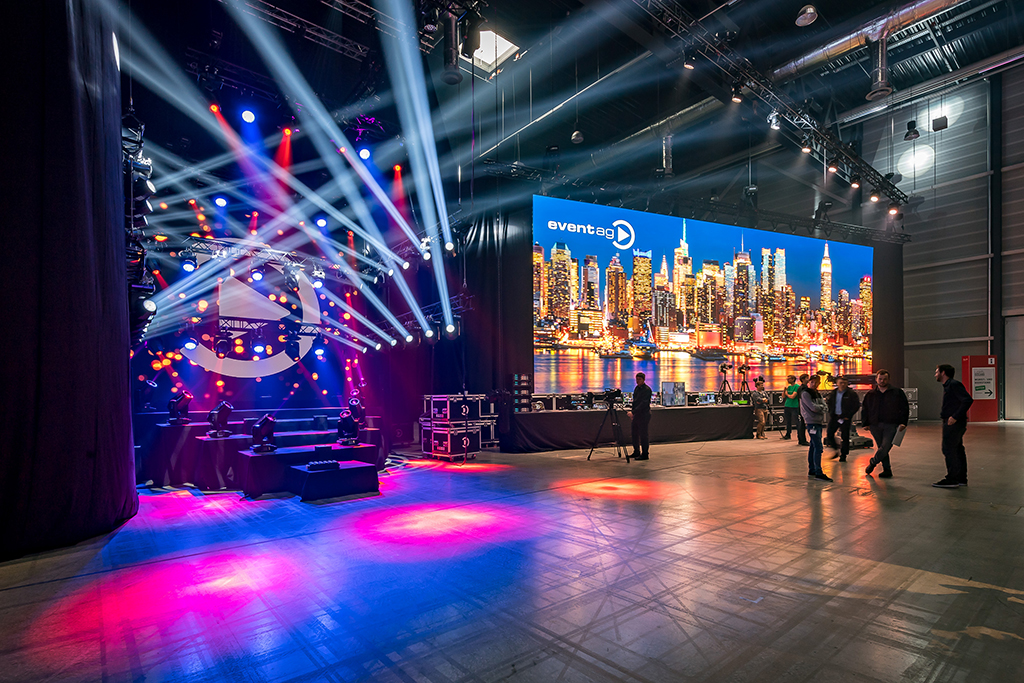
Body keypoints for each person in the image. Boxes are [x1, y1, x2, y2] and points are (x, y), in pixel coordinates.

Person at [860, 369, 909, 479]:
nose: (882, 381)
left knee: (885, 447)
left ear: (888, 379)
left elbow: (904, 408)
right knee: (881, 448)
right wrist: (865, 423)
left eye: (884, 379)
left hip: (891, 424)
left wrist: (903, 422)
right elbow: (865, 409)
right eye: (880, 379)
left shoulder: (897, 392)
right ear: (876, 379)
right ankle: (887, 470)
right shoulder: (870, 394)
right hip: (875, 425)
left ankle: (873, 463)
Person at [933, 364, 974, 488]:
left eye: (937, 372)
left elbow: (967, 400)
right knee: (957, 449)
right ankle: (961, 478)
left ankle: (952, 479)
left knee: (949, 449)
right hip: (953, 422)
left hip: (954, 423)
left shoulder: (954, 385)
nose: (935, 375)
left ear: (943, 373)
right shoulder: (949, 385)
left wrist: (955, 416)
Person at [800, 374, 831, 481]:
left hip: (817, 422)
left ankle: (812, 469)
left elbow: (825, 406)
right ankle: (818, 472)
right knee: (818, 446)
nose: (814, 384)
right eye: (812, 382)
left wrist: (820, 407)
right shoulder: (805, 393)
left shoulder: (817, 394)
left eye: (816, 382)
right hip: (811, 422)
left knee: (813, 445)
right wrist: (821, 407)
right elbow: (813, 407)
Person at [826, 376, 861, 462]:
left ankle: (844, 454)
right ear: (837, 383)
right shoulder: (833, 393)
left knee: (845, 436)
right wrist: (831, 412)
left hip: (845, 418)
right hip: (835, 417)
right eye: (841, 383)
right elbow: (830, 403)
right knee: (829, 433)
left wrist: (849, 415)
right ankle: (835, 449)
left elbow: (856, 405)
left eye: (844, 383)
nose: (842, 384)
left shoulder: (851, 393)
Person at [628, 372, 653, 460]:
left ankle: (645, 454)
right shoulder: (636, 389)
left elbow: (644, 404)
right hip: (636, 415)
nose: (637, 381)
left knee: (643, 435)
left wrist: (633, 412)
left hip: (644, 415)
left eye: (639, 379)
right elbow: (635, 402)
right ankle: (636, 451)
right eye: (637, 379)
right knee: (634, 434)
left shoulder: (647, 390)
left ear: (643, 380)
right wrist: (633, 412)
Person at [780, 374, 799, 440]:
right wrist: (784, 390)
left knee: (796, 421)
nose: (788, 380)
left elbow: (793, 396)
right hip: (787, 405)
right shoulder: (788, 387)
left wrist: (787, 394)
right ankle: (788, 434)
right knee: (788, 421)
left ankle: (799, 435)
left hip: (794, 406)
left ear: (793, 379)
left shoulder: (797, 386)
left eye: (789, 379)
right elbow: (783, 396)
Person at [795, 373, 810, 446]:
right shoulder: (803, 388)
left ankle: (801, 439)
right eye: (807, 378)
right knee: (802, 424)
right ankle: (802, 440)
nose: (808, 379)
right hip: (802, 408)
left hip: (801, 407)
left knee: (801, 424)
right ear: (803, 379)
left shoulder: (801, 388)